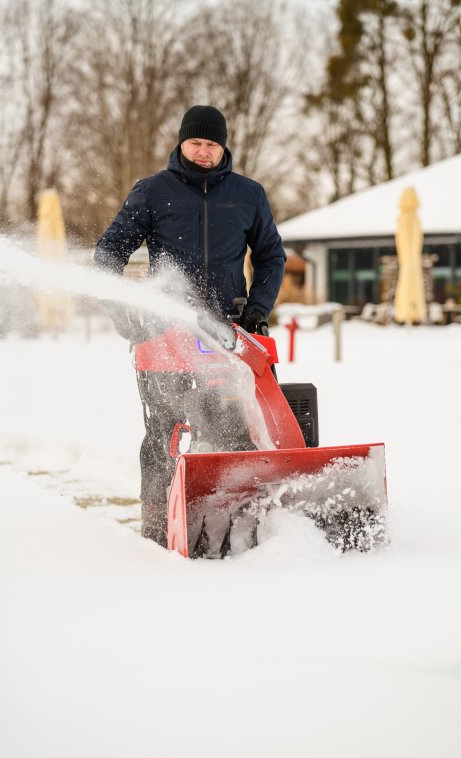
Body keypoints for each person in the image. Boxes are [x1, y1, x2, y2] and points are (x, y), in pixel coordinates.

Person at [94, 105, 287, 547]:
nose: (203, 151)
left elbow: (271, 256)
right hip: (163, 335)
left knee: (240, 431)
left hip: (231, 335)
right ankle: (157, 527)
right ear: (182, 142)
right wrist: (124, 312)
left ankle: (242, 527)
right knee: (164, 433)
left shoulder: (248, 194)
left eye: (211, 144)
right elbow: (108, 254)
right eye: (195, 143)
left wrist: (257, 310)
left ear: (224, 147)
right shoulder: (152, 191)